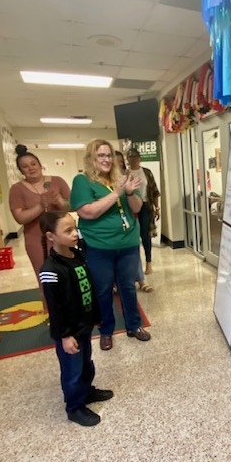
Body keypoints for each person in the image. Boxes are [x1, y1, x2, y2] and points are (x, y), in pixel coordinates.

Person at [70, 139, 150, 351]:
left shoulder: (122, 179)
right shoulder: (83, 181)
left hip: (128, 243)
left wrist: (130, 192)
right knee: (103, 290)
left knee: (128, 287)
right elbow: (87, 212)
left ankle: (134, 326)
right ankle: (106, 331)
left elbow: (137, 207)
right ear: (91, 159)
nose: (106, 160)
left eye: (108, 155)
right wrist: (117, 192)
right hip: (99, 246)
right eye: (101, 156)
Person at [39, 211, 113, 427]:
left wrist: (96, 317)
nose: (75, 234)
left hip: (84, 324)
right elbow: (55, 308)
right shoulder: (51, 270)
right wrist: (64, 335)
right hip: (69, 332)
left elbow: (88, 288)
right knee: (72, 371)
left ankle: (86, 392)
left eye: (75, 228)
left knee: (86, 363)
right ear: (51, 236)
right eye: (68, 230)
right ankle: (74, 407)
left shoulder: (78, 255)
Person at [9, 144, 71, 283]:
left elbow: (71, 207)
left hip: (62, 237)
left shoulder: (57, 181)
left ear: (40, 165)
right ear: (21, 171)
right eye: (25, 166)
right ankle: (49, 305)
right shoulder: (17, 189)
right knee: (47, 281)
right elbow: (20, 218)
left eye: (33, 164)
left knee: (68, 277)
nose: (31, 168)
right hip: (36, 240)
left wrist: (59, 201)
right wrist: (41, 206)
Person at [114, 150, 153, 293]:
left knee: (135, 243)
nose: (117, 164)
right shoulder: (103, 181)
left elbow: (151, 192)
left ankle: (141, 279)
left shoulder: (128, 176)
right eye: (115, 161)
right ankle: (116, 283)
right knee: (116, 252)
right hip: (115, 220)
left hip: (133, 213)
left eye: (120, 161)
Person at [126, 147, 160, 275]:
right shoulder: (125, 173)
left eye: (135, 156)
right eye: (130, 157)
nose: (133, 159)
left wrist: (157, 208)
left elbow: (155, 191)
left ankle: (149, 262)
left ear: (140, 158)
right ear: (127, 159)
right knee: (132, 235)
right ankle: (135, 264)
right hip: (130, 207)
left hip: (145, 206)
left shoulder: (146, 172)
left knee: (145, 235)